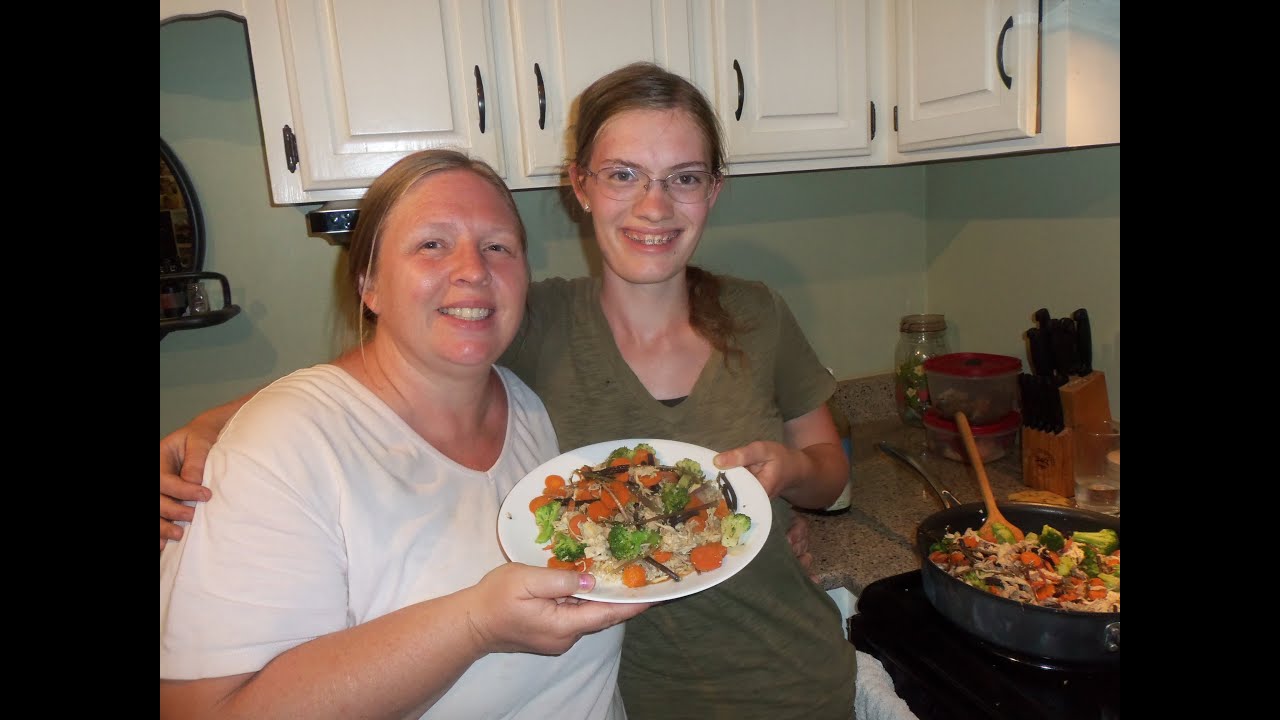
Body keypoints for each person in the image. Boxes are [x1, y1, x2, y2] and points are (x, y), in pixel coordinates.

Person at [161, 62, 858, 718]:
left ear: (713, 189)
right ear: (580, 184)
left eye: (684, 177)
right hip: (650, 695)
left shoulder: (750, 315)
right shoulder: (533, 324)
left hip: (793, 675)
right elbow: (381, 373)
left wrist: (790, 477)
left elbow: (827, 473)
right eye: (623, 174)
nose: (655, 205)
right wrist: (212, 432)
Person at [159, 149, 647, 720]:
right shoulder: (284, 447)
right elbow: (203, 710)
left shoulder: (530, 404)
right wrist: (474, 624)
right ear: (370, 284)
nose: (473, 269)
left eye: (498, 247)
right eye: (431, 244)